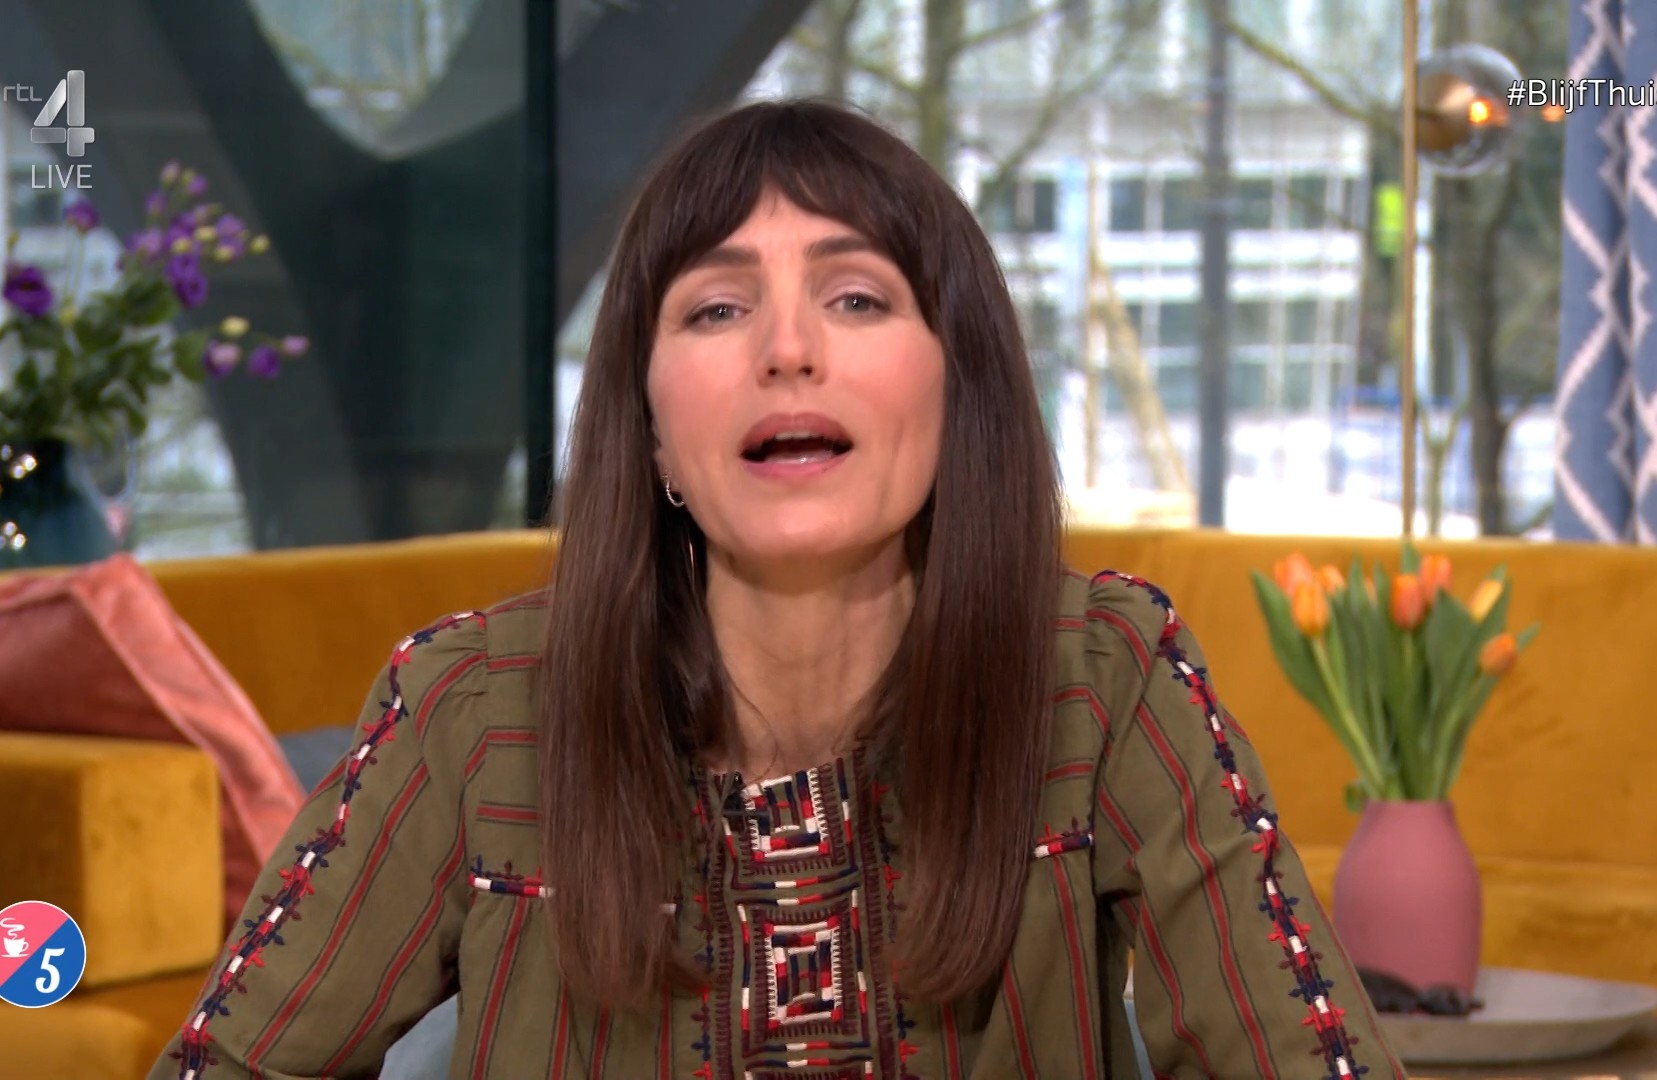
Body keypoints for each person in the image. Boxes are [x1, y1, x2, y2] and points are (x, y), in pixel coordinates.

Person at [150, 99, 1405, 1080]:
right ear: (652, 432)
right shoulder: (474, 707)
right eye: (717, 308)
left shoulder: (1105, 678)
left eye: (856, 297)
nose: (788, 348)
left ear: (956, 388)